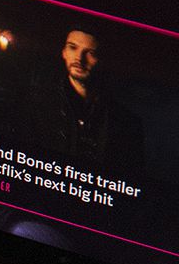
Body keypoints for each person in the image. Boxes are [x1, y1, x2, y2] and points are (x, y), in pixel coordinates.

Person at [24, 24, 144, 170]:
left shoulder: (126, 122)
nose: (79, 59)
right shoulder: (36, 104)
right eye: (72, 47)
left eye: (90, 52)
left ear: (102, 59)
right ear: (63, 52)